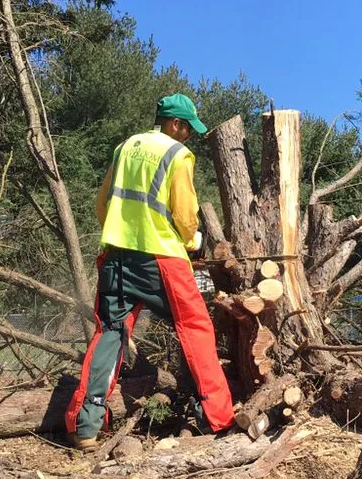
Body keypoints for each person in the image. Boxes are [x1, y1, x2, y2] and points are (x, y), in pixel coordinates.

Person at [65, 93, 236, 449]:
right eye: (187, 128)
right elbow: (186, 215)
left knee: (109, 333)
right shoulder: (177, 154)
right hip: (161, 260)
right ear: (175, 123)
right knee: (196, 328)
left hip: (116, 255)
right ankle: (216, 417)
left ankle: (86, 424)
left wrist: (119, 234)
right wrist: (192, 243)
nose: (188, 135)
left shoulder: (125, 147)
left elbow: (102, 204)